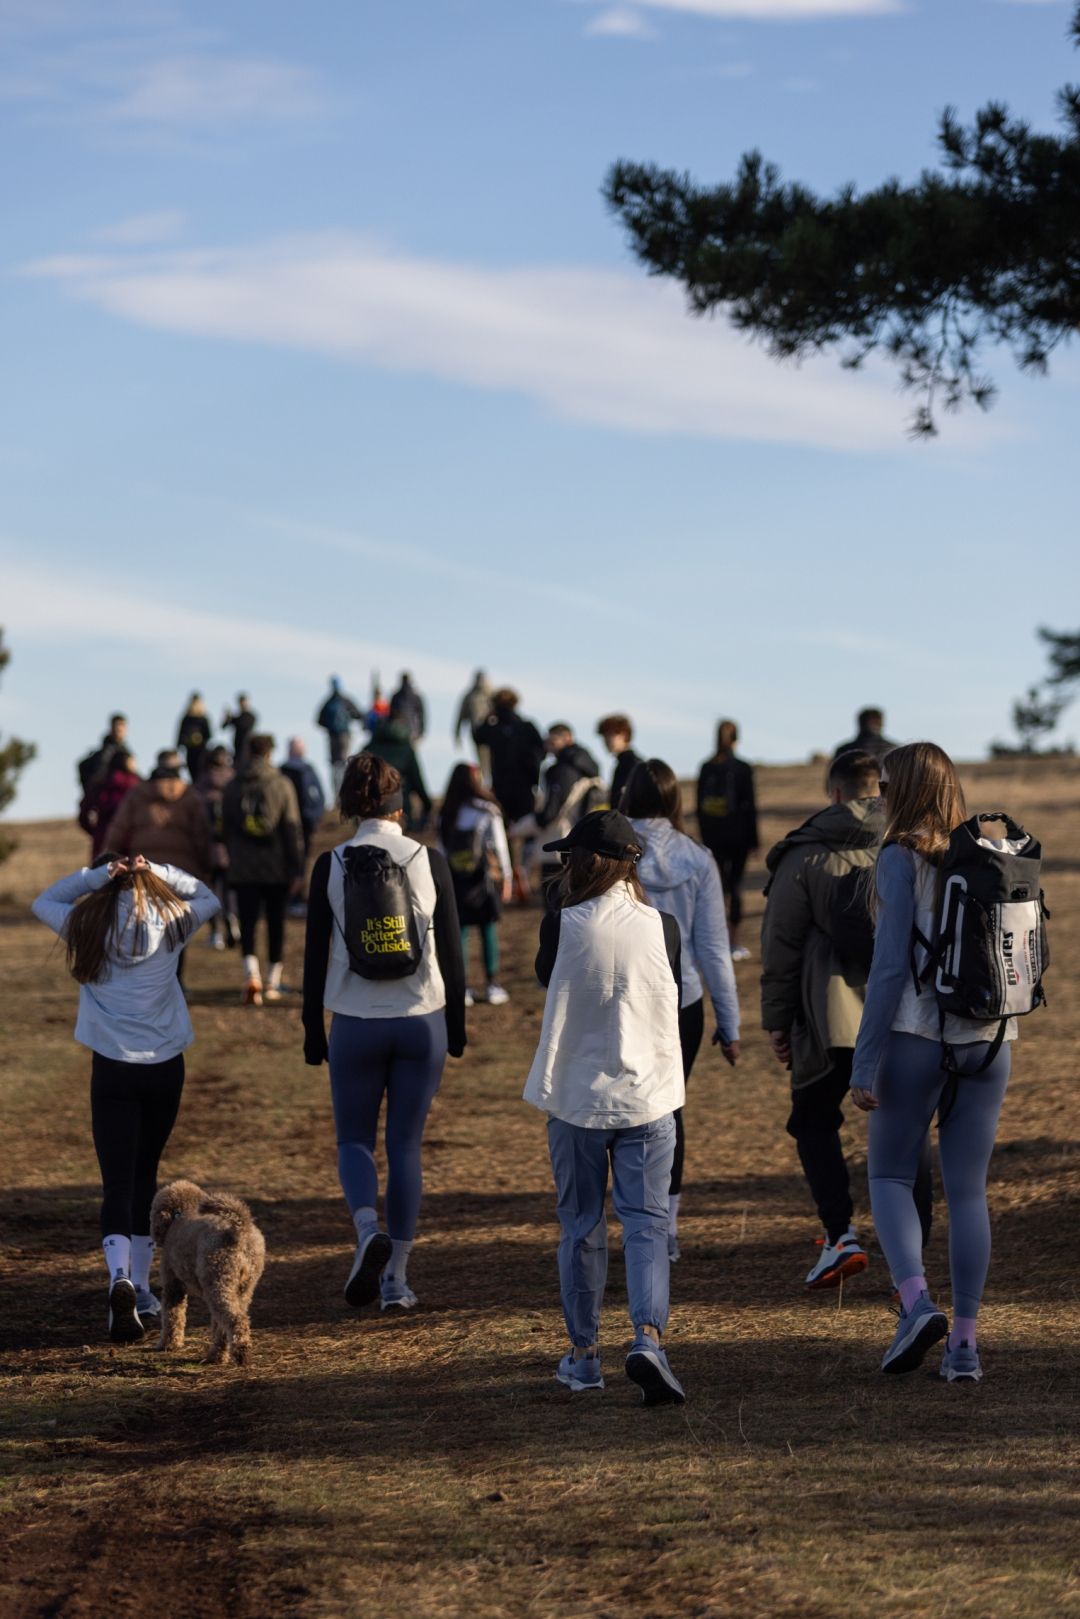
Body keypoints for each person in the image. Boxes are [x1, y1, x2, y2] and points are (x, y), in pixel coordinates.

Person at [850, 742, 1016, 1383]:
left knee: (890, 1177)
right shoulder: (992, 854)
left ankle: (917, 1303)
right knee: (969, 1191)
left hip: (917, 1035)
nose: (881, 798)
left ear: (908, 792)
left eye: (887, 788)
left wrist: (865, 1062)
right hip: (991, 1040)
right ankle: (966, 1346)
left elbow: (890, 967)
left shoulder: (899, 856)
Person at [524, 810, 686, 1406]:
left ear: (586, 862)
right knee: (646, 1224)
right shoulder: (663, 926)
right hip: (648, 1096)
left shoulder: (561, 923)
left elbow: (548, 978)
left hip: (577, 1098)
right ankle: (647, 1338)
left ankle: (585, 1354)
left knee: (581, 1226)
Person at [760, 749, 933, 1289]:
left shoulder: (804, 854)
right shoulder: (918, 843)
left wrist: (777, 1019)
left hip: (832, 1018)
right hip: (907, 1015)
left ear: (834, 793)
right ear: (880, 790)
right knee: (908, 1135)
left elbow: (781, 946)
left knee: (813, 1120)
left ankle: (840, 1236)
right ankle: (915, 1257)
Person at [31, 853, 220, 1341]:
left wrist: (97, 876)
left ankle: (118, 1278)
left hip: (112, 1068)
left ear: (105, 885)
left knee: (116, 1183)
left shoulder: (86, 921)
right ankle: (141, 1287)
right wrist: (160, 870)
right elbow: (210, 897)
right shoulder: (173, 921)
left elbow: (43, 900)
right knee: (146, 1178)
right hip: (164, 1068)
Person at [302, 753, 466, 1312]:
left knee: (354, 1140)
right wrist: (459, 1025)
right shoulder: (429, 859)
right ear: (401, 805)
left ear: (348, 806)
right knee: (404, 1147)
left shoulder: (331, 864)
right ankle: (396, 1278)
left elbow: (312, 956)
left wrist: (310, 1028)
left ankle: (367, 1227)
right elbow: (453, 949)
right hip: (423, 1020)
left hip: (354, 1022)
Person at [623, 759, 740, 1260]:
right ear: (675, 801)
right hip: (683, 999)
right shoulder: (698, 857)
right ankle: (665, 1226)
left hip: (625, 996)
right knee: (669, 1109)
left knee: (624, 1111)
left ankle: (635, 1218)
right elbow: (714, 947)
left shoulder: (615, 851)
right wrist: (730, 1025)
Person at [223, 734, 305, 1006]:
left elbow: (225, 827)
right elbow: (292, 828)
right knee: (275, 922)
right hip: (276, 866)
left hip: (243, 866)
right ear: (271, 753)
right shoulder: (281, 784)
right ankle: (272, 979)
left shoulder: (234, 785)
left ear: (248, 752)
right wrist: (297, 869)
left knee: (247, 921)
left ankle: (251, 975)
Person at [438, 762, 513, 1007]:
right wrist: (507, 878)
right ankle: (492, 984)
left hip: (454, 878)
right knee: (487, 929)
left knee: (460, 933)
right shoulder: (487, 810)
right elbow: (499, 846)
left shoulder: (446, 812)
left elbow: (440, 849)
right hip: (483, 879)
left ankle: (464, 988)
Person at [696, 720, 759, 962]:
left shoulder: (706, 767)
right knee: (735, 887)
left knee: (717, 889)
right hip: (739, 836)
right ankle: (733, 942)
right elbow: (750, 805)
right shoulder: (743, 767)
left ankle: (716, 940)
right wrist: (753, 839)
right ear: (736, 739)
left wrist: (704, 837)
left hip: (713, 836)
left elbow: (700, 807)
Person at [105, 761, 212, 887]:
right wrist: (206, 867)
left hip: (144, 870)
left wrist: (108, 863)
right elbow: (202, 837)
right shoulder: (191, 797)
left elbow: (117, 833)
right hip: (183, 872)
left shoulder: (136, 795)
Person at [196, 743, 239, 950]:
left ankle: (215, 933)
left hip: (207, 846)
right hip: (230, 846)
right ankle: (231, 917)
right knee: (229, 888)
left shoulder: (201, 786)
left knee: (210, 889)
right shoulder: (234, 783)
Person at [365, 701, 432, 831]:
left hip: (370, 812)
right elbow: (417, 779)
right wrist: (427, 804)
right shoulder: (407, 749)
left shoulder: (370, 748)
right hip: (400, 809)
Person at [79, 748, 140, 861]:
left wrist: (95, 831)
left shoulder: (99, 784)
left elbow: (84, 814)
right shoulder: (137, 785)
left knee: (103, 875)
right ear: (127, 762)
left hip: (103, 840)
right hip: (131, 842)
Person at [281, 737, 327, 860]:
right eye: (296, 748)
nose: (299, 751)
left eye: (300, 748)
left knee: (305, 851)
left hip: (307, 818)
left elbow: (320, 794)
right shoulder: (282, 771)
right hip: (288, 819)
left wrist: (317, 814)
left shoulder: (309, 770)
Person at [317, 677, 364, 795]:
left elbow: (319, 721)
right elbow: (359, 715)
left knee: (335, 765)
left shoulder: (327, 702)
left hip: (332, 737)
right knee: (344, 763)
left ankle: (336, 793)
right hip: (345, 736)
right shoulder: (346, 700)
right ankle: (344, 792)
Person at [597, 714, 642, 812]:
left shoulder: (634, 765)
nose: (607, 740)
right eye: (605, 735)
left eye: (612, 734)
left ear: (625, 735)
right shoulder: (621, 764)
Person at [77, 714, 129, 796]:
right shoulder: (105, 753)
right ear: (111, 728)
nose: (119, 729)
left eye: (122, 726)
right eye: (117, 726)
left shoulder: (125, 752)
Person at [833, 707, 897, 763]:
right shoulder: (894, 750)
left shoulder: (844, 751)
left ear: (859, 724)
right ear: (881, 724)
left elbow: (833, 775)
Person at [453, 670, 493, 755]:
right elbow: (461, 716)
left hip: (493, 733)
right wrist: (457, 734)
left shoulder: (492, 695)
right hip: (477, 733)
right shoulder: (470, 696)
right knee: (482, 760)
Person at [176, 694, 212, 785]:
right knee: (192, 770)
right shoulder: (186, 718)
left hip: (201, 750)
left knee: (200, 770)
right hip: (190, 749)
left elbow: (209, 735)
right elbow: (180, 734)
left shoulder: (203, 719)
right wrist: (181, 744)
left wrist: (199, 739)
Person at [221, 695, 256, 771]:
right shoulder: (237, 718)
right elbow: (223, 726)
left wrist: (232, 718)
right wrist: (227, 718)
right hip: (237, 748)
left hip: (247, 747)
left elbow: (243, 724)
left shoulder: (250, 717)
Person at [390, 672, 426, 743]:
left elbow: (391, 715)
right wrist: (421, 731)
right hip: (411, 732)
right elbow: (421, 715)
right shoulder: (416, 696)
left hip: (399, 732)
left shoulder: (396, 696)